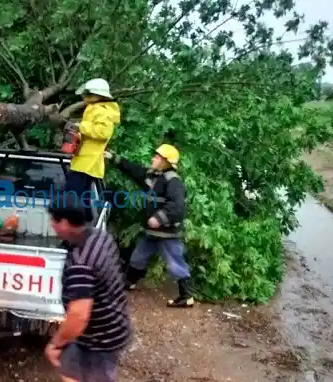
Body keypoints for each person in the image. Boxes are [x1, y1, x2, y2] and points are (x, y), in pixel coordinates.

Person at [44, 194, 132, 382]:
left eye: (54, 220)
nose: (51, 224)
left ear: (65, 223)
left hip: (101, 340)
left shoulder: (81, 263)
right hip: (105, 327)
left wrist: (55, 343)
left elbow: (78, 316)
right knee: (68, 373)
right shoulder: (101, 237)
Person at [104, 144, 194, 308]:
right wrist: (114, 158)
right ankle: (129, 282)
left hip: (167, 233)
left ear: (166, 162)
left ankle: (187, 296)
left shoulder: (172, 181)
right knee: (138, 257)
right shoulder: (153, 176)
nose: (154, 158)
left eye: (157, 157)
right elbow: (134, 170)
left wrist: (159, 218)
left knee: (175, 262)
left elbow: (177, 207)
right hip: (153, 232)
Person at [63, 78, 120, 222]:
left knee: (72, 198)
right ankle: (85, 230)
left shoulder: (103, 111)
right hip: (84, 160)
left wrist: (81, 127)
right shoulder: (94, 109)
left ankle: (78, 231)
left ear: (97, 95)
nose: (85, 97)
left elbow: (103, 132)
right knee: (82, 200)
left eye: (88, 94)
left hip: (88, 161)